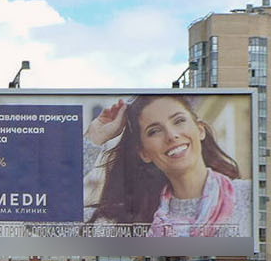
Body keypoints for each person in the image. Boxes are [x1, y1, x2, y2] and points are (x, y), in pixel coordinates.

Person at [82, 94, 250, 237]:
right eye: (154, 131)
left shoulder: (248, 196)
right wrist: (94, 138)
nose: (171, 135)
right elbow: (64, 219)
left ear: (200, 130)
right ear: (144, 153)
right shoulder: (125, 223)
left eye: (179, 121)